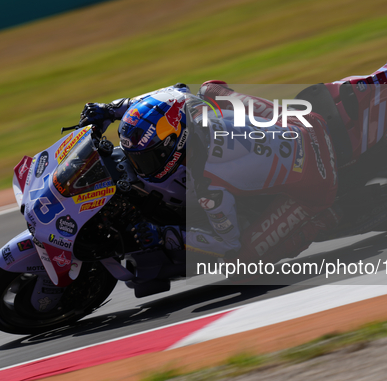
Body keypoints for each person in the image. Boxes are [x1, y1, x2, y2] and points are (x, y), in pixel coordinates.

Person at [79, 81, 339, 265]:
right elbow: (168, 94)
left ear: (174, 144)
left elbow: (226, 243)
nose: (137, 165)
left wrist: (164, 234)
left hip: (317, 179)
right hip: (302, 122)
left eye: (146, 158)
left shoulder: (207, 184)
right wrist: (112, 109)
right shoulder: (185, 105)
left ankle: (323, 220)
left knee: (241, 261)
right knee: (209, 90)